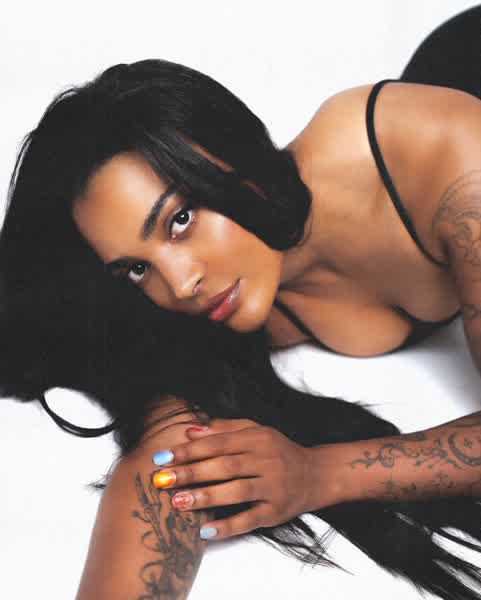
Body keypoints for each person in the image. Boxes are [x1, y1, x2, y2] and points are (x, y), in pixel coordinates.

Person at [2, 6, 481, 600]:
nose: (180, 284)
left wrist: (318, 472)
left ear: (233, 157)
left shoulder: (445, 156)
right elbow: (169, 463)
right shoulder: (211, 308)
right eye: (136, 267)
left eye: (179, 219)